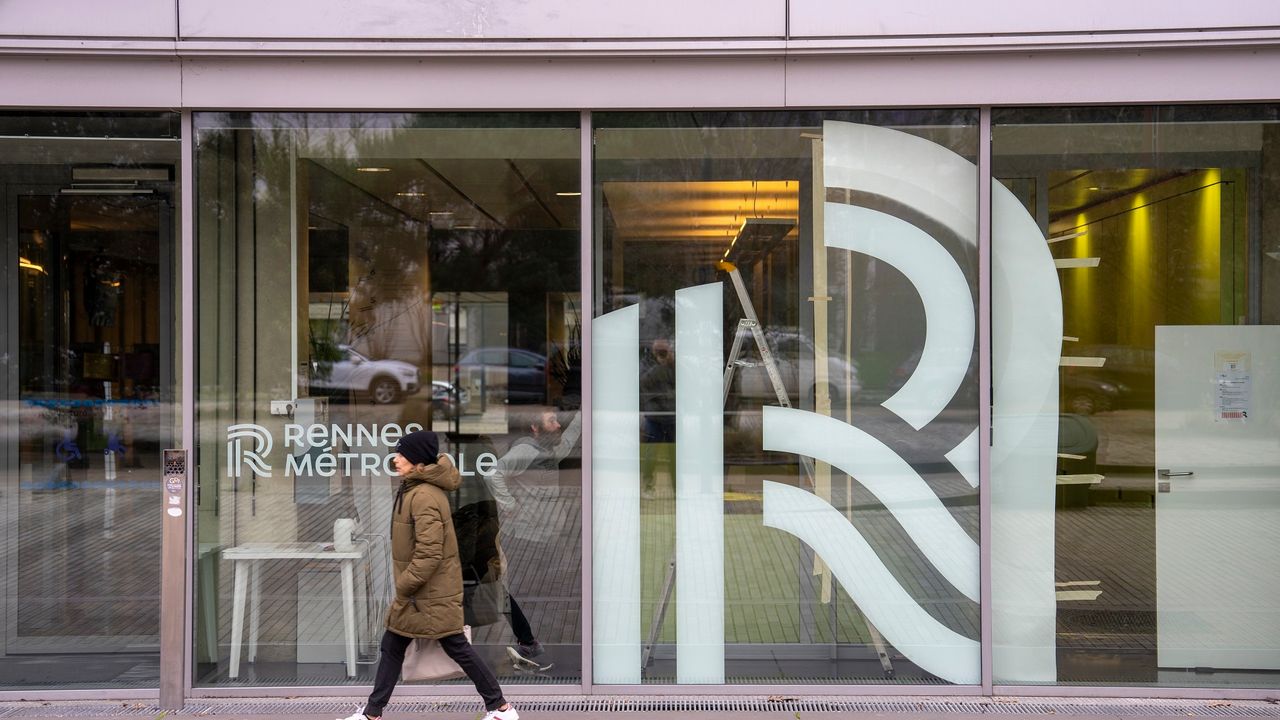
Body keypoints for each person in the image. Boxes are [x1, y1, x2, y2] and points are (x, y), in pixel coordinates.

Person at [338, 430, 518, 720]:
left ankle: (501, 707)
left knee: (456, 647)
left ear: (419, 461)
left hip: (427, 593)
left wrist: (405, 584)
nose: (396, 460)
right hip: (422, 593)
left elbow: (430, 552)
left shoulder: (423, 496)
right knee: (393, 646)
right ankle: (372, 712)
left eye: (402, 455)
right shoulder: (414, 488)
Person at [483, 408, 583, 669]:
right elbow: (492, 473)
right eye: (551, 422)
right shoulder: (526, 451)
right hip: (527, 538)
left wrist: (586, 408)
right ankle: (529, 646)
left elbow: (571, 437)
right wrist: (509, 504)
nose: (558, 426)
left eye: (557, 422)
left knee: (547, 591)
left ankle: (535, 644)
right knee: (527, 593)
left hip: (549, 536)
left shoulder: (552, 451)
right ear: (535, 429)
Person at [639, 337, 676, 498]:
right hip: (654, 416)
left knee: (674, 455)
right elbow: (644, 382)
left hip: (671, 416)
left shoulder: (673, 365)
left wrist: (672, 363)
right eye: (659, 351)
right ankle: (647, 487)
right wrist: (660, 366)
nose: (662, 353)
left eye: (665, 351)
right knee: (650, 454)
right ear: (653, 351)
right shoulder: (647, 364)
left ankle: (677, 488)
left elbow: (681, 382)